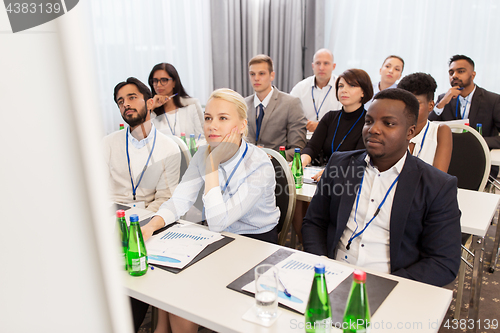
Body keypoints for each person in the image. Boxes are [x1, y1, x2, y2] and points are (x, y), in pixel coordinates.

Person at [140, 88, 281, 333]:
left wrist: (213, 164)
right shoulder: (202, 154)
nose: (212, 126)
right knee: (171, 288)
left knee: (181, 296)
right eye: (208, 118)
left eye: (223, 118)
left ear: (242, 125)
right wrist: (152, 224)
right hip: (219, 240)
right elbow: (180, 200)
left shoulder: (259, 165)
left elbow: (218, 221)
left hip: (256, 245)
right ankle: (162, 324)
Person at [302, 88, 461, 287]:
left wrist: (389, 284)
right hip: (332, 274)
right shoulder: (340, 164)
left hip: (392, 283)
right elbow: (314, 223)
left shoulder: (437, 185)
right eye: (369, 121)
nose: (374, 129)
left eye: (388, 123)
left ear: (410, 132)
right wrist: (322, 264)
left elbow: (443, 262)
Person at [292, 69, 373, 244]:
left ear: (363, 92)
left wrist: (331, 171)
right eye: (341, 86)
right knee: (296, 198)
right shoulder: (330, 117)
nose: (344, 90)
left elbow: (360, 157)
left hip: (349, 178)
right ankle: (303, 244)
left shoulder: (368, 121)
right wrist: (302, 161)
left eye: (351, 86)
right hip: (320, 175)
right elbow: (312, 147)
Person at [102, 77, 181, 212]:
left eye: (132, 98)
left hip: (149, 217)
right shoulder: (107, 143)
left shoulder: (170, 149)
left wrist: (140, 220)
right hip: (113, 215)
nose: (125, 104)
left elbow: (165, 198)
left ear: (150, 103)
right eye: (120, 102)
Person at [428, 55, 500, 150]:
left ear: (473, 75)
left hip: (479, 155)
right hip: (449, 155)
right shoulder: (444, 99)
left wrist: (477, 141)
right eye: (451, 72)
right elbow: (428, 128)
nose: (454, 76)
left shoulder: (492, 100)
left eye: (461, 71)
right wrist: (441, 104)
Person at [245, 54, 307, 161]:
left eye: (262, 73)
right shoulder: (242, 104)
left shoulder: (291, 103)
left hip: (277, 169)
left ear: (272, 76)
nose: (256, 78)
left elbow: (297, 149)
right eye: (252, 74)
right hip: (245, 167)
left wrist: (268, 156)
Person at [398, 72, 452, 172]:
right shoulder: (392, 130)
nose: (408, 109)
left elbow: (438, 178)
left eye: (416, 103)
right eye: (404, 103)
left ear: (431, 105)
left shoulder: (440, 131)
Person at [290, 49, 342, 132]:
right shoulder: (300, 88)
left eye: (326, 63)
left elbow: (345, 120)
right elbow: (289, 114)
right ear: (313, 66)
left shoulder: (342, 88)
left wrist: (321, 126)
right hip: (303, 138)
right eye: (318, 63)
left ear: (333, 66)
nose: (321, 68)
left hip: (332, 138)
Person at [148, 63, 204, 139]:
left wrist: (180, 142)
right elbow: (143, 138)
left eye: (164, 80)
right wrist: (151, 108)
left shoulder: (192, 104)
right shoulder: (151, 110)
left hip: (190, 150)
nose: (158, 85)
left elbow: (202, 138)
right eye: (155, 81)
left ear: (174, 82)